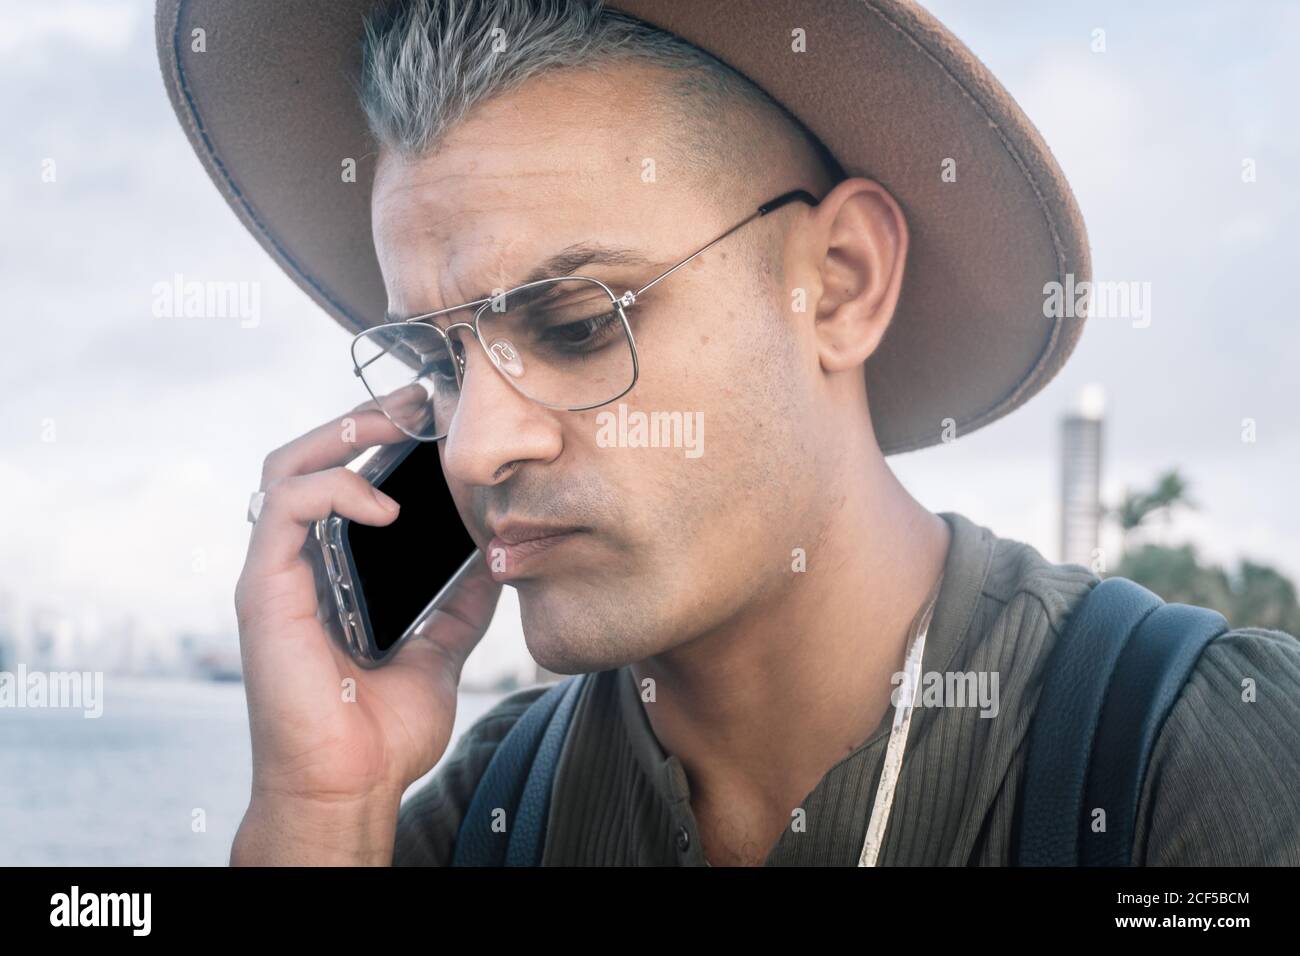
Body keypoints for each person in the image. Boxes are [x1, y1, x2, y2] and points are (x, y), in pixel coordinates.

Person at [156, 0, 1300, 865]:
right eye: (440, 363)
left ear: (840, 284)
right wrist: (319, 809)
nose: (472, 448)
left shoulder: (1197, 761)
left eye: (575, 321)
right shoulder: (489, 813)